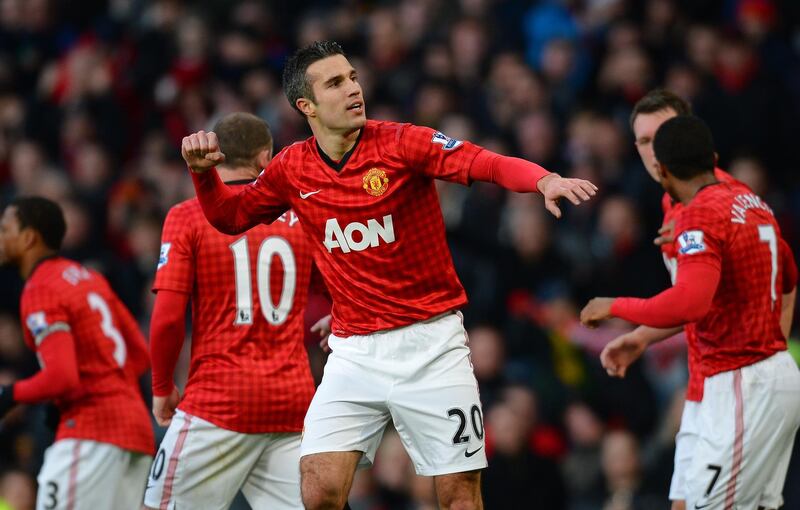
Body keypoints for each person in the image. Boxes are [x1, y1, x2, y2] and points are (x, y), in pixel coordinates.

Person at [182, 40, 597, 510]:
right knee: (318, 489)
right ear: (307, 106)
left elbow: (483, 162)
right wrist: (204, 177)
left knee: (459, 494)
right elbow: (231, 218)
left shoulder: (403, 142)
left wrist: (542, 179)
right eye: (336, 83)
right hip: (354, 354)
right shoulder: (291, 168)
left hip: (433, 345)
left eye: (353, 77)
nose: (354, 89)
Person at [581, 115, 800, 510]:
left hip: (740, 382)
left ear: (663, 169)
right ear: (712, 158)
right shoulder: (752, 202)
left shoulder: (700, 213)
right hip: (768, 377)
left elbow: (690, 301)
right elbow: (788, 278)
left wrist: (613, 306)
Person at [144, 112, 319, 510]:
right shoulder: (299, 216)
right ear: (265, 159)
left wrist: (160, 387)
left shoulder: (188, 216)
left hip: (218, 402)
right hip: (291, 404)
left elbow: (169, 316)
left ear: (216, 158)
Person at [0, 196, 154, 510]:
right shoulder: (88, 278)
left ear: (29, 238)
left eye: (5, 230)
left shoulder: (41, 288)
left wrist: (10, 393)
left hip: (91, 433)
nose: (0, 238)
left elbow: (62, 375)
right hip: (136, 432)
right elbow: (139, 353)